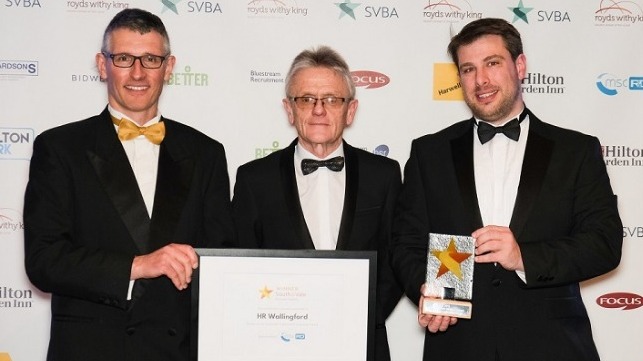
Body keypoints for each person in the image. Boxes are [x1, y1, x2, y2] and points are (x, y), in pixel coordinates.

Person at [390, 18, 622, 361]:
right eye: (468, 69)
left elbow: (604, 243)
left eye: (492, 64)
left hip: (552, 347)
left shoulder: (575, 151)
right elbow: (406, 244)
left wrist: (523, 257)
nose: (480, 80)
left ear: (520, 66)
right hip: (458, 346)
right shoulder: (429, 153)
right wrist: (424, 289)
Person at [23, 8, 234, 361]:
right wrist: (138, 265)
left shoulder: (206, 153)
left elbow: (221, 261)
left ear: (169, 67)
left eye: (151, 59)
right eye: (124, 58)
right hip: (90, 350)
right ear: (102, 65)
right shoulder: (60, 148)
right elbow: (44, 261)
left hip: (176, 351)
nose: (138, 72)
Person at [231, 45, 403, 361]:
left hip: (364, 344)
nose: (319, 110)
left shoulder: (385, 175)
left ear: (350, 110)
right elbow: (242, 267)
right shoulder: (254, 179)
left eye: (332, 100)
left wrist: (360, 316)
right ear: (288, 109)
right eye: (307, 99)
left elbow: (397, 258)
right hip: (276, 348)